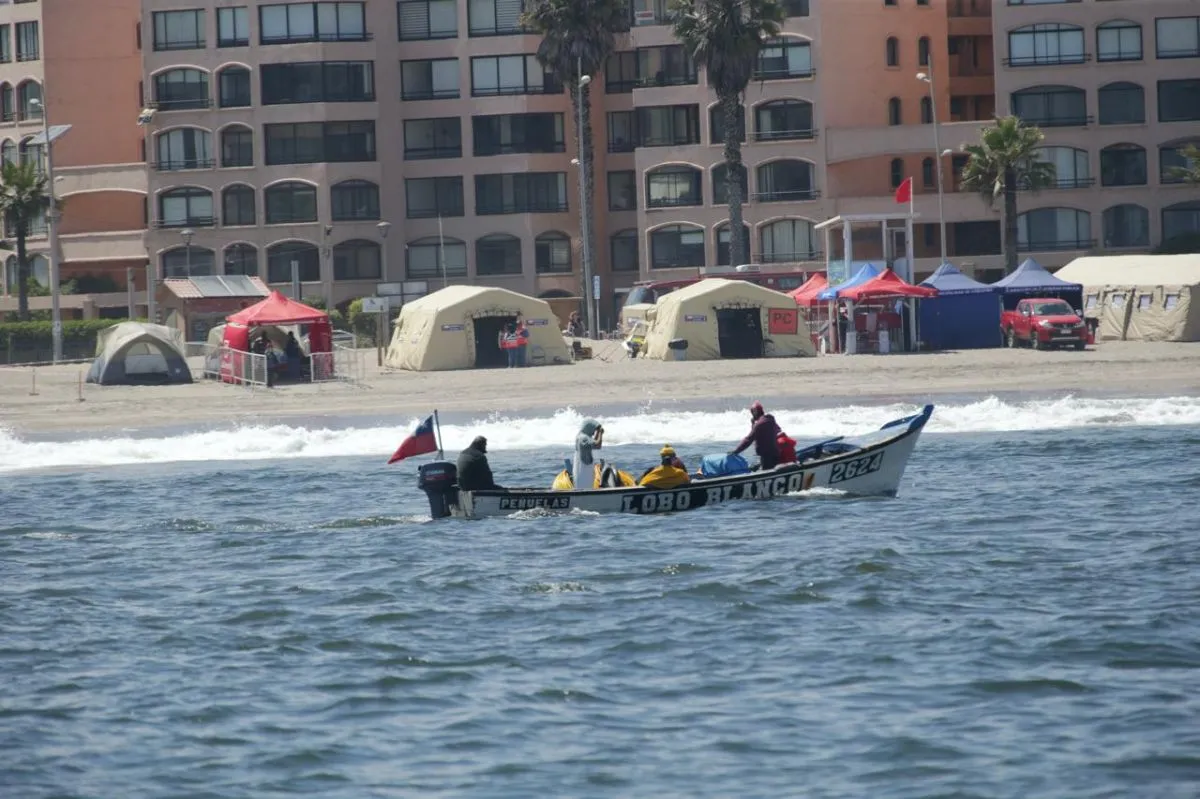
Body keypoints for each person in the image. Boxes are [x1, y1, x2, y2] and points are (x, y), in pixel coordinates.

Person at [731, 401, 782, 470]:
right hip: (776, 453)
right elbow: (778, 430)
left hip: (766, 456)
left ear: (755, 412)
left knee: (766, 472)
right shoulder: (770, 420)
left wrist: (736, 451)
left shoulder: (759, 424)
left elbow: (748, 439)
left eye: (752, 412)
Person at [572, 419, 603, 489]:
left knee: (585, 485)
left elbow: (594, 442)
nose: (593, 433)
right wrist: (600, 433)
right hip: (583, 468)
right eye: (593, 430)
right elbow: (598, 445)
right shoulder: (584, 438)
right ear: (589, 428)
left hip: (583, 467)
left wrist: (597, 432)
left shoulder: (581, 436)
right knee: (584, 485)